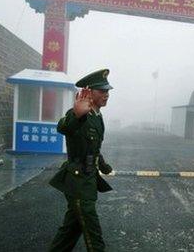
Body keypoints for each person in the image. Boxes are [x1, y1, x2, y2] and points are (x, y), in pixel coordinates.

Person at [49, 69, 114, 252]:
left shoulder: (97, 116)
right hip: (78, 182)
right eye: (102, 91)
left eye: (107, 91)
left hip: (88, 180)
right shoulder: (79, 114)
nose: (106, 95)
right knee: (93, 231)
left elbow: (92, 148)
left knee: (72, 228)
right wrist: (77, 115)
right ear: (89, 92)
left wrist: (102, 164)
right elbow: (63, 127)